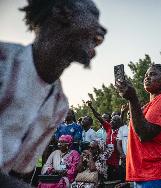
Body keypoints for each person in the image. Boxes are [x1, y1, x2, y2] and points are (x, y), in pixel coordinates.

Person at [0, 0, 106, 177]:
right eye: (94, 15)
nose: (102, 30)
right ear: (62, 11)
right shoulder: (3, 62)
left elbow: (8, 175)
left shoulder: (58, 105)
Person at [116, 64, 161, 187]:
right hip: (145, 176)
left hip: (157, 175)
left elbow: (144, 134)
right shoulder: (148, 106)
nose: (147, 77)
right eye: (146, 75)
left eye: (153, 74)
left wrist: (132, 98)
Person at [87, 101, 122, 181]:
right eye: (111, 120)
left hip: (116, 158)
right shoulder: (109, 127)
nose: (111, 122)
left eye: (114, 121)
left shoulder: (121, 131)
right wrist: (91, 107)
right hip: (106, 158)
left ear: (119, 123)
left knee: (114, 178)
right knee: (105, 178)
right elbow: (98, 117)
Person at [117, 104, 130, 182]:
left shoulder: (139, 128)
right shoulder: (123, 128)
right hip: (124, 158)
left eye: (130, 112)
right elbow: (118, 143)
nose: (129, 114)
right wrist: (122, 155)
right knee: (124, 179)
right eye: (128, 113)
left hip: (135, 158)